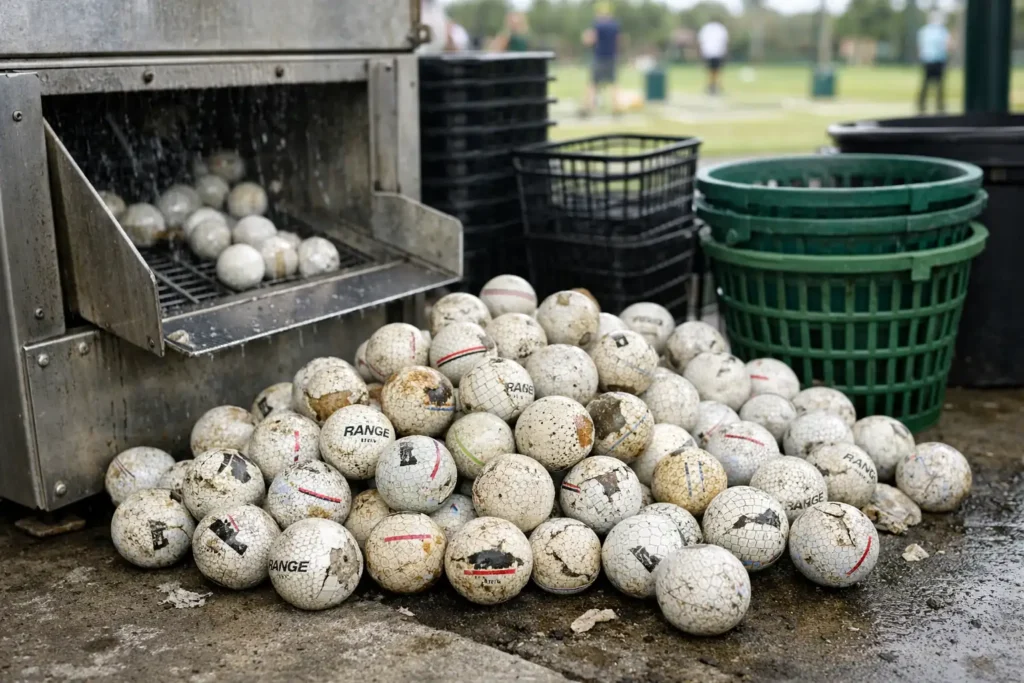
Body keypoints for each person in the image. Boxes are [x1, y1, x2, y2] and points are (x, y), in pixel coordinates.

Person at [582, 2, 621, 115]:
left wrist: (585, 37)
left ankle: (588, 107)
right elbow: (618, 40)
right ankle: (616, 107)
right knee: (613, 83)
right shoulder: (615, 25)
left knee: (593, 83)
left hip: (599, 57)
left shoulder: (598, 25)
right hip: (612, 57)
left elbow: (589, 40)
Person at [917, 11, 951, 114]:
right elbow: (948, 46)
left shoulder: (924, 31)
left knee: (934, 85)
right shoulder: (941, 31)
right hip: (933, 60)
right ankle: (934, 106)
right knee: (934, 84)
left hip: (932, 60)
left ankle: (928, 105)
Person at [698, 20, 728, 95]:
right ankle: (713, 86)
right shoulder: (720, 28)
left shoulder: (707, 28)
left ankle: (714, 86)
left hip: (711, 52)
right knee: (714, 71)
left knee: (713, 71)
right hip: (715, 52)